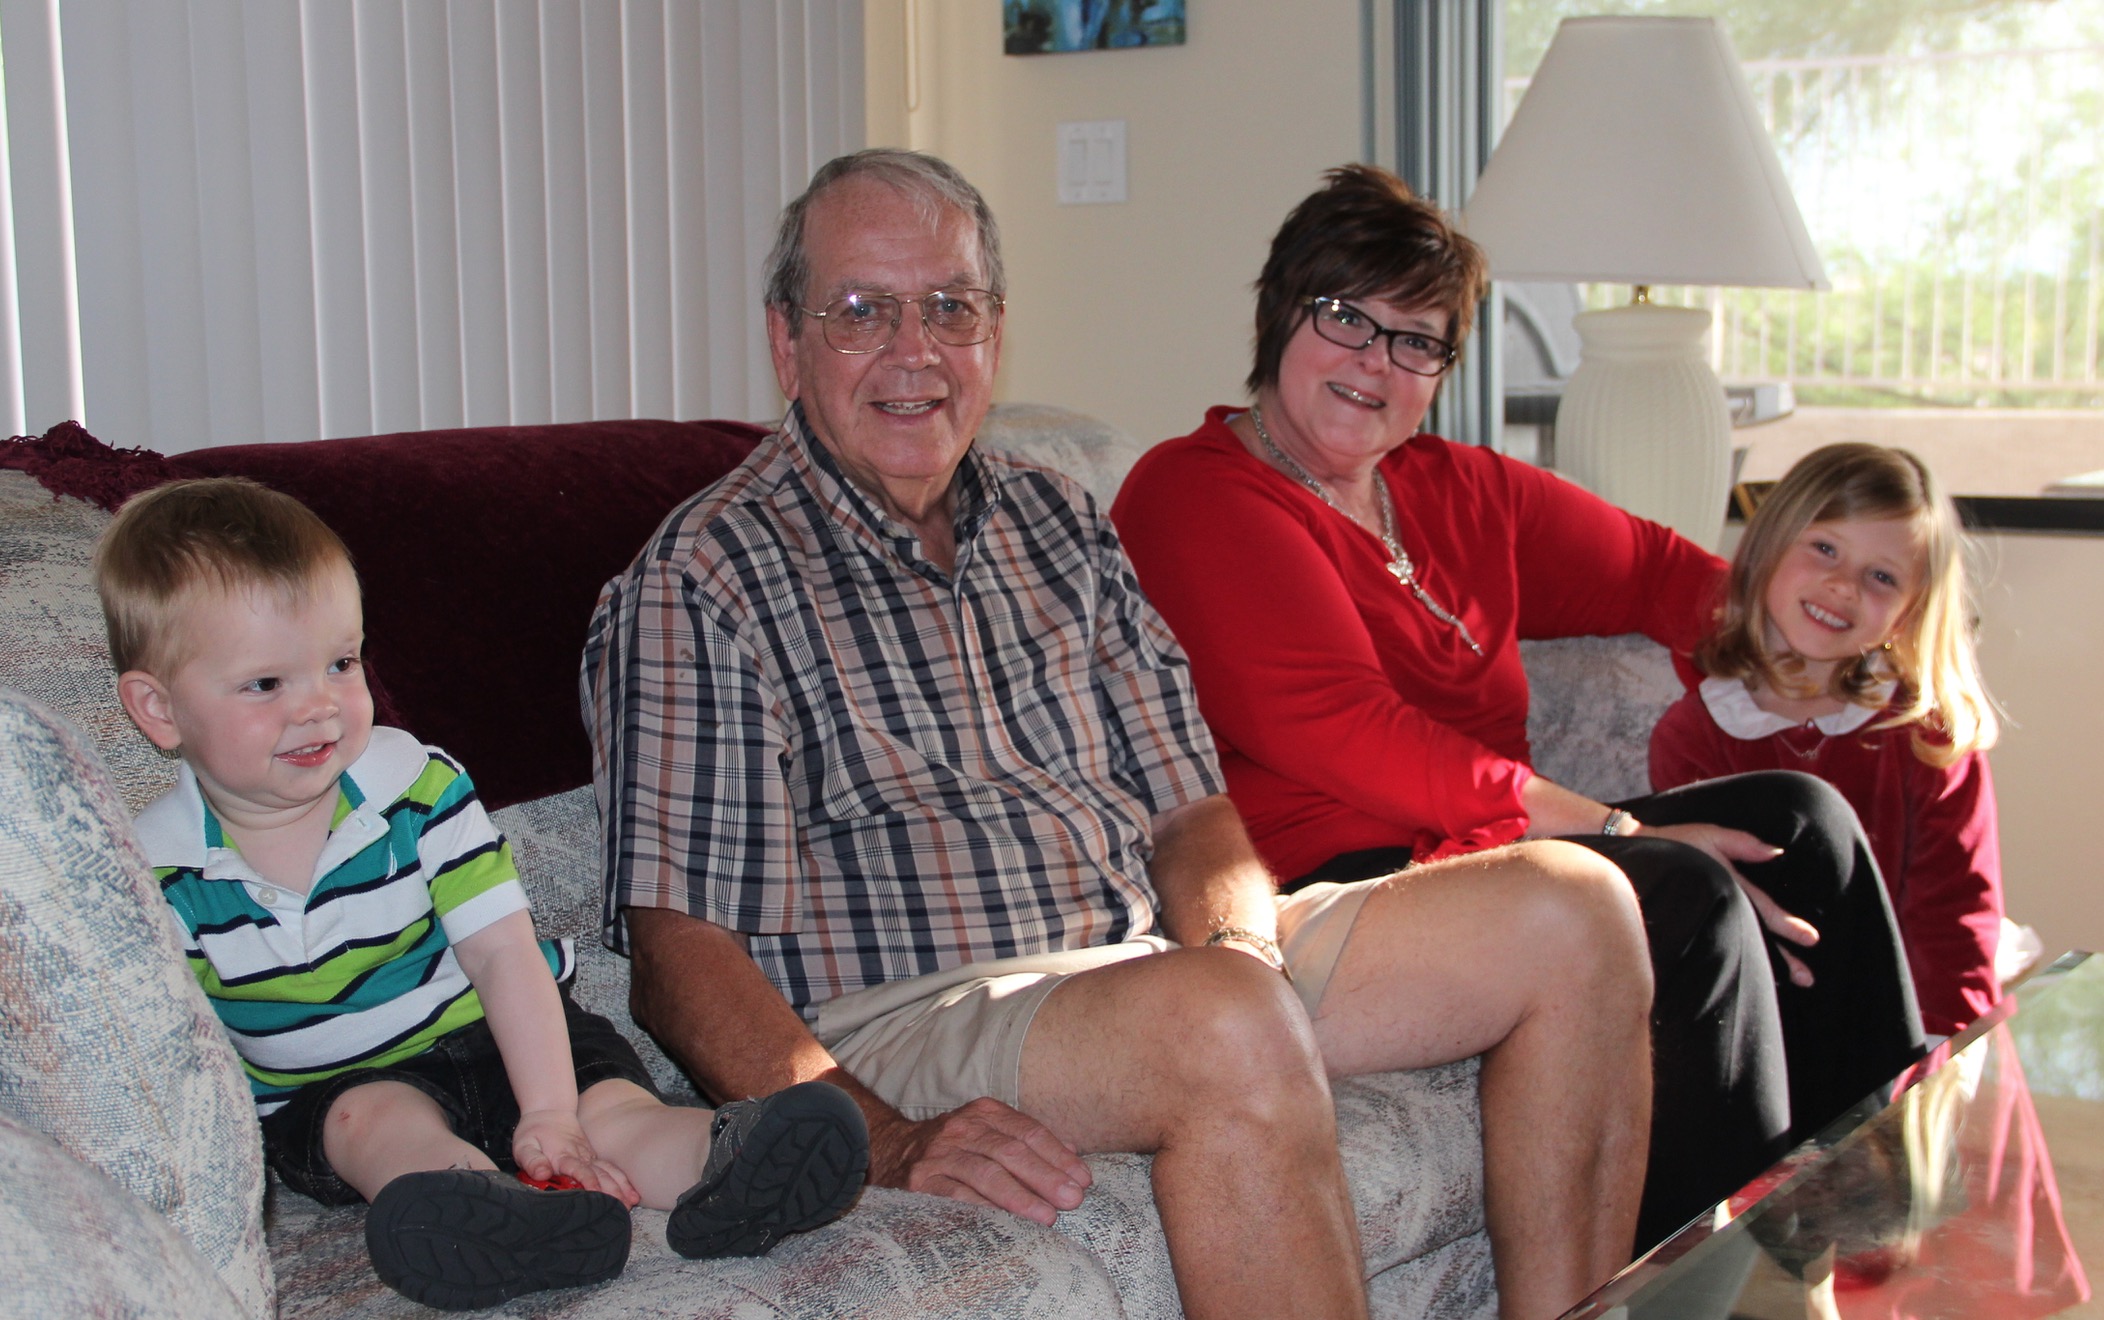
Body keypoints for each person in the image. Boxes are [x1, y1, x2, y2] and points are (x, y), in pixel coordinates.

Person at [584, 147, 1654, 1320]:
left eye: (951, 307)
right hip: (907, 1006)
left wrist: (1240, 948)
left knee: (1578, 906)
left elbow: (1190, 809)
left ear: (995, 332)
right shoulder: (706, 579)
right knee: (1219, 1019)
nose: (915, 350)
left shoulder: (1053, 521)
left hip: (1136, 969)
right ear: (787, 343)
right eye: (860, 313)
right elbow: (680, 953)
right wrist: (882, 1142)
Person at [1109, 163, 1926, 1249]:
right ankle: (1704, 1286)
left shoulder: (1460, 490)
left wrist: (1823, 644)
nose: (1375, 362)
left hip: (1481, 850)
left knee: (1796, 821)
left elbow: (1658, 571)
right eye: (1347, 318)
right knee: (1682, 890)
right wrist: (1617, 830)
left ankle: (1872, 1233)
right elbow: (1343, 730)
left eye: (1418, 339)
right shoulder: (1195, 493)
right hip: (1334, 886)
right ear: (1279, 313)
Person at [98, 478, 869, 1311]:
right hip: (342, 1087)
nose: (319, 706)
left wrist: (549, 1113)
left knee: (609, 1110)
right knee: (371, 1125)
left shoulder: (417, 789)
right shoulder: (151, 878)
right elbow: (166, 1060)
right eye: (265, 685)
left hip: (500, 1028)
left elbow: (502, 953)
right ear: (158, 708)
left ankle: (732, 1165)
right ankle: (485, 1215)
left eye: (341, 662)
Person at [1651, 443, 2003, 1040]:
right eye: (1825, 549)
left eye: (1881, 577)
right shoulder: (1696, 734)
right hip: (1765, 1035)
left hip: (1909, 1032)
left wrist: (1941, 1059)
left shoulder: (1928, 736)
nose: (1843, 585)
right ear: (1768, 548)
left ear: (1910, 613)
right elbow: (1709, 924)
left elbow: (1956, 922)